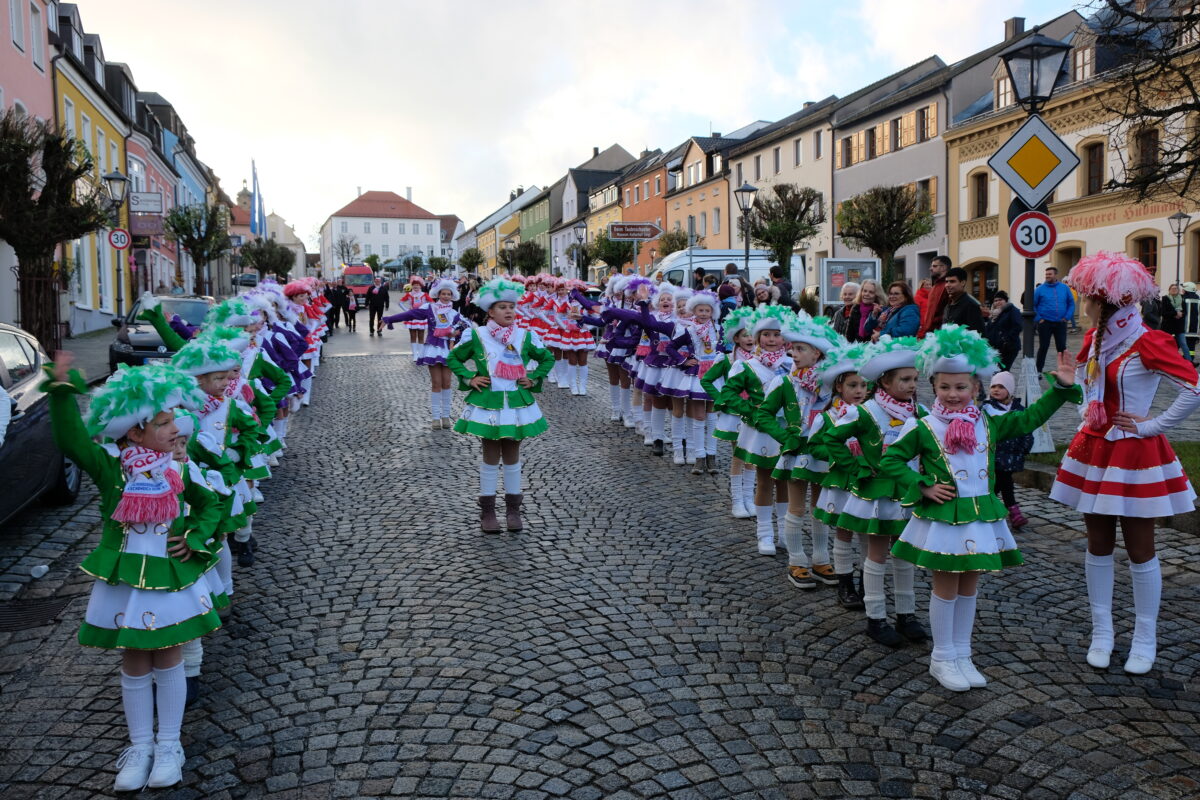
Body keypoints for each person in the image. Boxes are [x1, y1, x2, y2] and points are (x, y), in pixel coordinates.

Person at [42, 358, 223, 791]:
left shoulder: (177, 469)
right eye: (164, 423)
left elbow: (210, 504)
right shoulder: (112, 470)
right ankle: (140, 746)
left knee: (169, 655)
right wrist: (63, 392)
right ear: (135, 433)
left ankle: (169, 745)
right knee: (135, 659)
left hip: (169, 577)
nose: (175, 429)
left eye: (174, 420)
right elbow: (71, 442)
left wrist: (195, 538)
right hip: (126, 578)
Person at [883, 327, 1080, 692]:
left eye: (961, 387)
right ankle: (941, 657)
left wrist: (1062, 390)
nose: (953, 395)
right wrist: (922, 485)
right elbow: (891, 460)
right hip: (945, 519)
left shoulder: (987, 423)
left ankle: (962, 652)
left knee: (970, 586)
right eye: (945, 387)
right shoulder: (923, 426)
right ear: (934, 387)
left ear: (976, 388)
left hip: (980, 517)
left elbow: (1028, 419)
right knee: (946, 586)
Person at [1049, 252, 1200, 675]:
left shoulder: (1147, 340)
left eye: (1085, 299)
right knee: (1097, 545)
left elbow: (1194, 388)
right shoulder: (1098, 339)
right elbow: (1087, 388)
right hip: (1095, 449)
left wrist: (1151, 427)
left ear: (1102, 302)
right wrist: (1073, 390)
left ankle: (1144, 638)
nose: (1081, 305)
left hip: (1134, 452)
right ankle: (1103, 633)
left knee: (1140, 550)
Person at [817, 334, 926, 648]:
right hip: (877, 495)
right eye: (904, 379)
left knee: (904, 555)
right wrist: (857, 467)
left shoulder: (920, 412)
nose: (911, 385)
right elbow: (832, 438)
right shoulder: (865, 412)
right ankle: (876, 617)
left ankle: (906, 614)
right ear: (884, 382)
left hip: (908, 492)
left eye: (914, 379)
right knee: (877, 556)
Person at [447, 278, 555, 532]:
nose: (509, 311)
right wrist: (469, 378)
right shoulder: (476, 334)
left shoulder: (525, 335)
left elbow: (547, 358)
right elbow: (454, 357)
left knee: (512, 455)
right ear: (490, 312)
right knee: (490, 454)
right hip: (489, 403)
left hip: (516, 403)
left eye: (512, 307)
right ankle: (488, 511)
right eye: (502, 307)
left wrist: (535, 377)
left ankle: (513, 510)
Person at [753, 312, 841, 588]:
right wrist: (785, 435)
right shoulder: (785, 382)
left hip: (824, 452)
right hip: (797, 452)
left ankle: (821, 558)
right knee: (796, 506)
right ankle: (796, 560)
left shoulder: (831, 384)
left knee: (820, 507)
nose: (793, 353)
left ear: (817, 353)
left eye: (801, 349)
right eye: (792, 348)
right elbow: (763, 414)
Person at [717, 306, 796, 555]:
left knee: (784, 481)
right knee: (764, 481)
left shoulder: (794, 365)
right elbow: (728, 393)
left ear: (785, 338)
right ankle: (764, 534)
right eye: (766, 335)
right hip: (760, 431)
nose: (772, 340)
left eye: (777, 334)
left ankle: (784, 532)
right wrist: (751, 411)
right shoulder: (747, 366)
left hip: (786, 430)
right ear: (758, 336)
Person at [382, 278, 469, 429]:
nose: (446, 296)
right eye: (443, 293)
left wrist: (455, 333)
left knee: (447, 383)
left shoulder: (455, 314)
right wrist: (389, 319)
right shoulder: (430, 308)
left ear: (452, 295)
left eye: (449, 294)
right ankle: (436, 418)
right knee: (436, 383)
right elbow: (410, 314)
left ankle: (446, 416)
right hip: (433, 349)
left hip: (448, 349)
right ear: (438, 294)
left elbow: (466, 330)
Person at [702, 308, 756, 516]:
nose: (749, 339)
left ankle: (750, 499)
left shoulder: (761, 360)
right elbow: (706, 380)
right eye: (745, 335)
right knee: (739, 454)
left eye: (752, 334)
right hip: (734, 413)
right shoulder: (726, 360)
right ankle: (737, 501)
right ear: (735, 338)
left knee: (751, 455)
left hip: (754, 413)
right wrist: (721, 399)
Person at [982, 371, 1034, 528]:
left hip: (1012, 455)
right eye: (993, 386)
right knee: (1004, 482)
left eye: (1001, 387)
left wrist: (1025, 447)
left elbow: (1026, 428)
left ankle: (988, 509)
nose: (996, 390)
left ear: (1010, 390)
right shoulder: (987, 408)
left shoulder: (1019, 409)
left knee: (999, 484)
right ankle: (1013, 512)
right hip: (995, 455)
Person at [1034, 266, 1075, 373]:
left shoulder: (1064, 288)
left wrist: (1067, 317)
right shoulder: (1039, 289)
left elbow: (1071, 303)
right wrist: (1039, 318)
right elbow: (1033, 305)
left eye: (1050, 274)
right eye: (1046, 274)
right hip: (1045, 323)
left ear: (1055, 275)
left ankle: (1063, 371)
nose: (1047, 276)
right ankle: (1038, 371)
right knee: (1043, 347)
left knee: (1062, 348)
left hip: (1060, 323)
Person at [984, 290, 1023, 371]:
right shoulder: (993, 314)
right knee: (995, 371)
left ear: (1006, 300)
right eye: (996, 300)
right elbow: (989, 329)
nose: (998, 302)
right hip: (995, 349)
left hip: (1008, 348)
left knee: (1002, 371)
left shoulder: (1012, 310)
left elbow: (1018, 326)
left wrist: (1006, 341)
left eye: (1000, 300)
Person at [917, 256, 952, 338]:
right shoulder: (935, 286)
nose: (930, 268)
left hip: (940, 333)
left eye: (934, 266)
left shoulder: (947, 286)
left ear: (943, 267)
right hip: (930, 332)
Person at [942, 268, 985, 334]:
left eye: (952, 281)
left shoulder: (971, 305)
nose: (947, 285)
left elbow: (979, 335)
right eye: (946, 282)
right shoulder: (948, 305)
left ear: (963, 283)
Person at [1162, 283, 1189, 360]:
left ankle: (1189, 361)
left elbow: (1185, 312)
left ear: (1178, 290)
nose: (1174, 290)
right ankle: (1166, 360)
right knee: (1166, 344)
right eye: (1172, 289)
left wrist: (1181, 314)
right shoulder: (1165, 298)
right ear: (1169, 290)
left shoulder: (1182, 298)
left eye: (1175, 289)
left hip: (1179, 325)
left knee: (1183, 344)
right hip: (1168, 326)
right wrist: (1175, 313)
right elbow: (1163, 313)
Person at [1183, 281, 1200, 363]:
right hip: (1195, 330)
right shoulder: (1198, 299)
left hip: (1184, 328)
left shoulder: (1183, 299)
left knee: (1179, 345)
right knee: (1191, 347)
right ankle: (1190, 360)